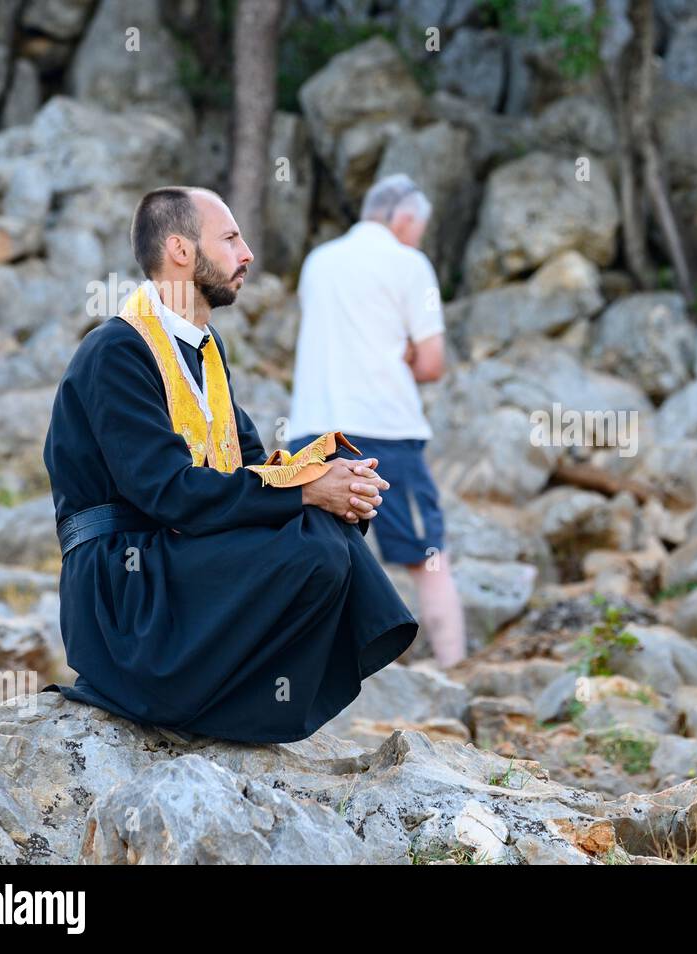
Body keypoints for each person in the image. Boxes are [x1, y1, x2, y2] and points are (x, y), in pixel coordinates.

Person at [40, 186, 418, 743]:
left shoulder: (205, 352)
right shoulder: (116, 351)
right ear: (181, 250)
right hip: (123, 590)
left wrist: (335, 484)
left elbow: (255, 466)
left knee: (323, 530)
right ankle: (195, 700)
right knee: (311, 535)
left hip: (173, 558)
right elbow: (167, 492)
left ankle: (226, 705)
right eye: (231, 238)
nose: (248, 254)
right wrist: (308, 493)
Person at [287, 174, 466, 668]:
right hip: (386, 427)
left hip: (314, 429)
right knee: (425, 553)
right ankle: (453, 666)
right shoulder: (409, 264)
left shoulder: (317, 262)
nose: (418, 240)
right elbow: (432, 364)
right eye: (418, 229)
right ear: (403, 218)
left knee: (319, 556)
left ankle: (308, 671)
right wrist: (404, 352)